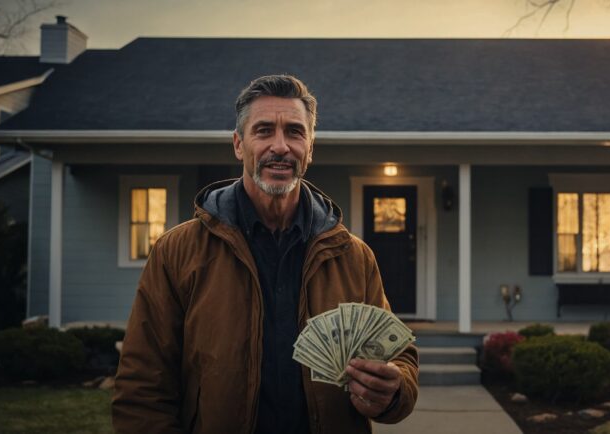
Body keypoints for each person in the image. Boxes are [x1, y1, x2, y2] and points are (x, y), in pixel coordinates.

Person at [112, 74, 419, 433]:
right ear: (239, 145)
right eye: (263, 131)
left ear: (310, 146)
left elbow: (398, 358)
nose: (280, 146)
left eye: (294, 131)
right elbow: (142, 390)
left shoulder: (354, 257)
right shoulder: (177, 252)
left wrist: (394, 388)